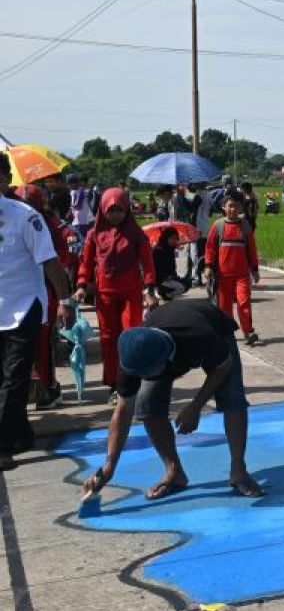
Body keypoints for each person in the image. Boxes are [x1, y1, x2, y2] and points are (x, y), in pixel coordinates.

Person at [81, 298, 264, 500]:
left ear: (164, 359)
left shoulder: (198, 335)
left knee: (232, 397)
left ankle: (238, 470)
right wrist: (109, 466)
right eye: (141, 375)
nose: (144, 379)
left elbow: (222, 368)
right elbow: (123, 411)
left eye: (149, 374)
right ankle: (174, 471)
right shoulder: (132, 355)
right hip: (166, 333)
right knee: (147, 405)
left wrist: (195, 407)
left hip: (212, 326)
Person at [0, 156, 71, 470]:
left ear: (4, 180)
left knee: (15, 378)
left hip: (23, 308)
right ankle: (21, 433)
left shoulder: (26, 218)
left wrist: (66, 302)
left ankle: (2, 445)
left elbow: (50, 262)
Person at [74, 188, 157, 399]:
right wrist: (82, 285)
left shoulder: (137, 234)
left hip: (131, 293)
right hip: (104, 295)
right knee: (108, 339)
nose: (115, 215)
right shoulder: (94, 234)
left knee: (131, 336)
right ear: (102, 209)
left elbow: (148, 264)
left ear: (127, 209)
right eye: (111, 210)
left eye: (120, 209)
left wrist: (149, 289)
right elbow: (85, 262)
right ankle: (114, 384)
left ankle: (132, 381)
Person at [16, 184, 76, 410]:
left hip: (44, 295)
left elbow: (60, 260)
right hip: (17, 295)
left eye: (30, 202)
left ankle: (47, 389)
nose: (25, 206)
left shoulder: (44, 226)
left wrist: (63, 300)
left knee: (42, 346)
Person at [205, 191, 261, 346]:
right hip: (222, 275)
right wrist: (208, 266)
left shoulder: (245, 226)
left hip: (242, 274)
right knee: (224, 306)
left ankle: (247, 332)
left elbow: (251, 249)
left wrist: (255, 269)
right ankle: (226, 333)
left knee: (244, 303)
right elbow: (210, 248)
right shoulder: (218, 226)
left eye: (236, 206)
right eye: (230, 206)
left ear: (241, 208)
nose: (233, 209)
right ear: (223, 207)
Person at [152, 226, 190, 301]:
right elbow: (156, 268)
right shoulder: (159, 250)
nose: (174, 240)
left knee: (187, 283)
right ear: (166, 238)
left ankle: (167, 296)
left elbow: (171, 267)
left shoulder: (170, 249)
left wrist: (174, 276)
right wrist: (165, 277)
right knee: (180, 287)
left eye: (175, 238)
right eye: (172, 238)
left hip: (169, 278)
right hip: (160, 280)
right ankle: (162, 293)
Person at [188, 182, 213, 286]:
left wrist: (185, 198)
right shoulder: (209, 195)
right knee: (203, 252)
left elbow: (191, 208)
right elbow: (211, 211)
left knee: (195, 252)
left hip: (197, 226)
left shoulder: (198, 196)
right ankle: (206, 275)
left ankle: (196, 276)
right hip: (205, 226)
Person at [70, 173, 96, 238]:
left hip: (82, 221)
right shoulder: (77, 192)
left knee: (83, 240)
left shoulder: (81, 192)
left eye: (78, 182)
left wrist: (72, 206)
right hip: (86, 219)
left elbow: (78, 206)